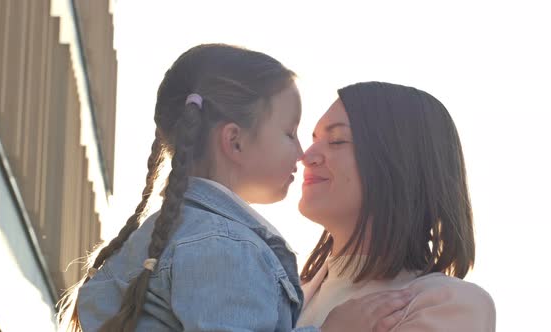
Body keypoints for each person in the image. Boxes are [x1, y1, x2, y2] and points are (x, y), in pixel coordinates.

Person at [58, 45, 410, 332]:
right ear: (234, 141)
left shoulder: (164, 237)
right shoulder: (224, 246)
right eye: (289, 132)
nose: (302, 153)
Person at [297, 82, 496, 331]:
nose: (306, 156)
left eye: (337, 141)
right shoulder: (281, 296)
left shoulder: (447, 304)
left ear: (398, 161)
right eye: (313, 139)